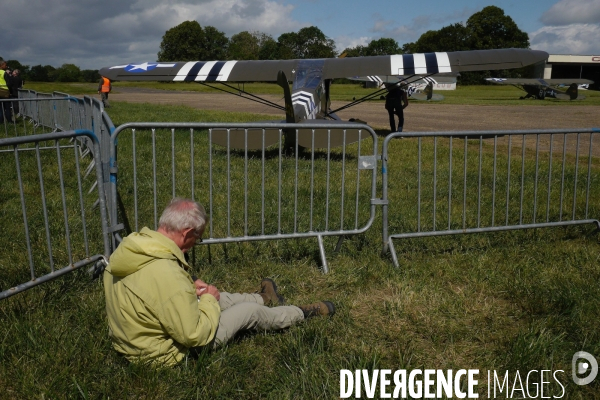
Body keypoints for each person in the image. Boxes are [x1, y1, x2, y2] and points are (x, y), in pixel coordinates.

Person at [104, 197, 335, 367]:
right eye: (198, 237)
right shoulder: (167, 274)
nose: (196, 243)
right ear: (186, 233)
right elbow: (194, 335)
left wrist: (194, 289)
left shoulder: (133, 248)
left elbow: (156, 292)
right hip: (163, 353)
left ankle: (265, 297)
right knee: (249, 312)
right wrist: (206, 300)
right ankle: (301, 313)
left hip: (133, 342)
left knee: (212, 295)